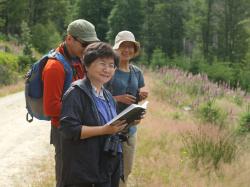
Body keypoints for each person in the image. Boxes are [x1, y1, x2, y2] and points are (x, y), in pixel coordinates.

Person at [59, 42, 127, 187]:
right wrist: (104, 130)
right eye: (102, 63)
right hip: (83, 170)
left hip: (106, 167)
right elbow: (69, 130)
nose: (107, 69)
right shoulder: (75, 93)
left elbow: (110, 127)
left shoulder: (108, 96)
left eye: (111, 65)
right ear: (87, 65)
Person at [42, 19, 99, 187]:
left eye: (91, 44)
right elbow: (51, 107)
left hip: (77, 129)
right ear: (69, 39)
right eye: (84, 43)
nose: (88, 48)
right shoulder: (55, 67)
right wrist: (84, 109)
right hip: (64, 132)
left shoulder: (78, 60)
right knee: (65, 179)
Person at [106, 30, 148, 187]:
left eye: (130, 46)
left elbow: (140, 92)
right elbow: (96, 96)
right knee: (108, 172)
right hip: (109, 130)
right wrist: (117, 98)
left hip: (130, 131)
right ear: (116, 48)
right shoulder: (109, 69)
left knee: (126, 171)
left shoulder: (137, 72)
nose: (127, 50)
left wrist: (142, 95)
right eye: (123, 46)